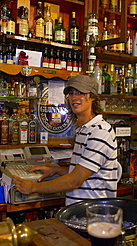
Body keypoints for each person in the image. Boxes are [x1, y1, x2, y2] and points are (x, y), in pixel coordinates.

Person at [13, 75, 122, 205]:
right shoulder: (84, 130)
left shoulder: (100, 132)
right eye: (71, 93)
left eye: (81, 93)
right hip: (81, 212)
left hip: (95, 215)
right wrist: (58, 170)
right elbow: (88, 174)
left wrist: (32, 187)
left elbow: (74, 181)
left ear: (92, 97)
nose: (74, 98)